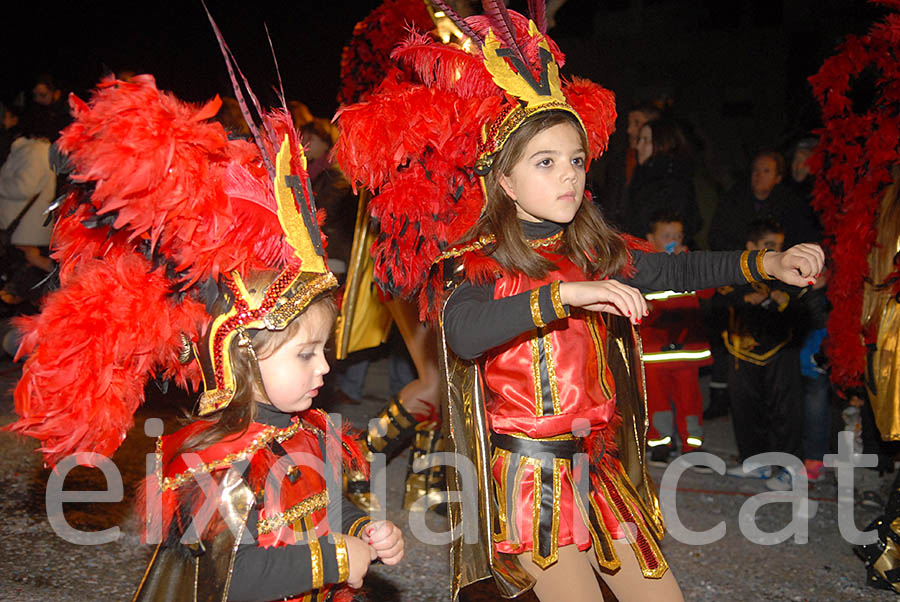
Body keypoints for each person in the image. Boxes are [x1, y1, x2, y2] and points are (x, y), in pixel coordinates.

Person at [335, 7, 825, 601]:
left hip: (598, 474)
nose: (568, 176)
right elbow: (462, 333)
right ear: (505, 182)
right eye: (545, 162)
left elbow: (674, 268)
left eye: (574, 160)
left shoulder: (593, 246)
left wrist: (761, 264)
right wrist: (563, 294)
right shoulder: (478, 259)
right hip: (530, 482)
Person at [5, 65, 406, 602]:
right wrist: (335, 558)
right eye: (306, 353)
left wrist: (360, 528)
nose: (325, 367)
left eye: (322, 350)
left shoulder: (303, 432)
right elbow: (230, 579)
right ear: (241, 355)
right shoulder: (215, 465)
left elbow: (330, 501)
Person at [715, 220, 805, 490]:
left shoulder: (789, 275)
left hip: (780, 350)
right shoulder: (736, 272)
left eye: (779, 245)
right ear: (752, 247)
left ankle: (790, 468)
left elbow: (805, 303)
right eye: (769, 246)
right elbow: (718, 299)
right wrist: (745, 299)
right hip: (741, 350)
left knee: (785, 410)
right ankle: (756, 462)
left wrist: (785, 299)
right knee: (745, 408)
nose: (777, 251)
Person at [639, 212, 713, 466]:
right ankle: (660, 443)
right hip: (655, 351)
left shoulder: (689, 263)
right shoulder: (644, 266)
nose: (673, 240)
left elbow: (708, 291)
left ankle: (693, 445)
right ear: (651, 239)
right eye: (666, 236)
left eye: (677, 236)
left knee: (690, 399)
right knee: (656, 400)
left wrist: (690, 265)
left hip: (687, 350)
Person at [708, 150, 818, 250]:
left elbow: (801, 236)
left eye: (766, 171)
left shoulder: (790, 204)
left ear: (777, 178)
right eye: (756, 170)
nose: (759, 175)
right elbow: (717, 237)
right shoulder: (733, 200)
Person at [623, 118, 701, 244]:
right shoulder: (641, 176)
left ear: (663, 143)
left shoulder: (674, 183)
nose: (638, 146)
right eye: (639, 140)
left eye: (645, 140)